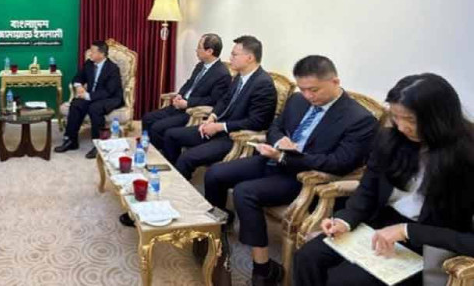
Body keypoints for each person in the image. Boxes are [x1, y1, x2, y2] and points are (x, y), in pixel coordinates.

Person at [204, 55, 377, 285]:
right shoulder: (297, 100)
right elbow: (275, 127)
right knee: (215, 173)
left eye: (314, 90)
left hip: (302, 176)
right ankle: (216, 233)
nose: (308, 96)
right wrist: (280, 142)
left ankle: (263, 269)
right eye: (303, 89)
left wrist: (289, 156)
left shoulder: (359, 119)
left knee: (245, 192)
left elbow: (339, 163)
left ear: (335, 82)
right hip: (274, 160)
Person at [293, 73, 474, 286]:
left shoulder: (466, 157)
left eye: (410, 120)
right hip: (379, 223)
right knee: (307, 257)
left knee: (345, 281)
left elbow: (466, 238)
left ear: (439, 118)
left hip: (429, 240)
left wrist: (407, 231)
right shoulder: (390, 139)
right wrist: (345, 220)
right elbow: (367, 190)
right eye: (396, 117)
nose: (401, 127)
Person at [163, 35, 277, 179]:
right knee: (171, 135)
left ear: (249, 58)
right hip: (218, 128)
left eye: (234, 55)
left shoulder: (263, 84)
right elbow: (224, 100)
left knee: (187, 158)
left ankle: (181, 188)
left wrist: (220, 127)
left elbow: (257, 122)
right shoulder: (240, 76)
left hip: (235, 137)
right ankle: (172, 179)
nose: (230, 58)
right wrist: (212, 117)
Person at [141, 33, 231, 150]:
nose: (196, 50)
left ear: (209, 51)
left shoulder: (222, 74)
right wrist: (180, 94)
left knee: (157, 128)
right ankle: (147, 149)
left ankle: (162, 155)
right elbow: (189, 83)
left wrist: (188, 103)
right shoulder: (201, 65)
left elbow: (213, 100)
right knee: (147, 118)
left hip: (191, 112)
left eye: (199, 47)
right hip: (180, 105)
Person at [55, 40, 124, 159]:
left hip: (110, 98)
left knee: (95, 108)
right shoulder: (89, 63)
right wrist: (79, 86)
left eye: (93, 51)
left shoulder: (113, 68)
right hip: (92, 95)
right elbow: (77, 77)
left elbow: (109, 91)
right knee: (76, 104)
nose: (90, 53)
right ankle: (71, 140)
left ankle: (99, 144)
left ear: (102, 54)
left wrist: (88, 96)